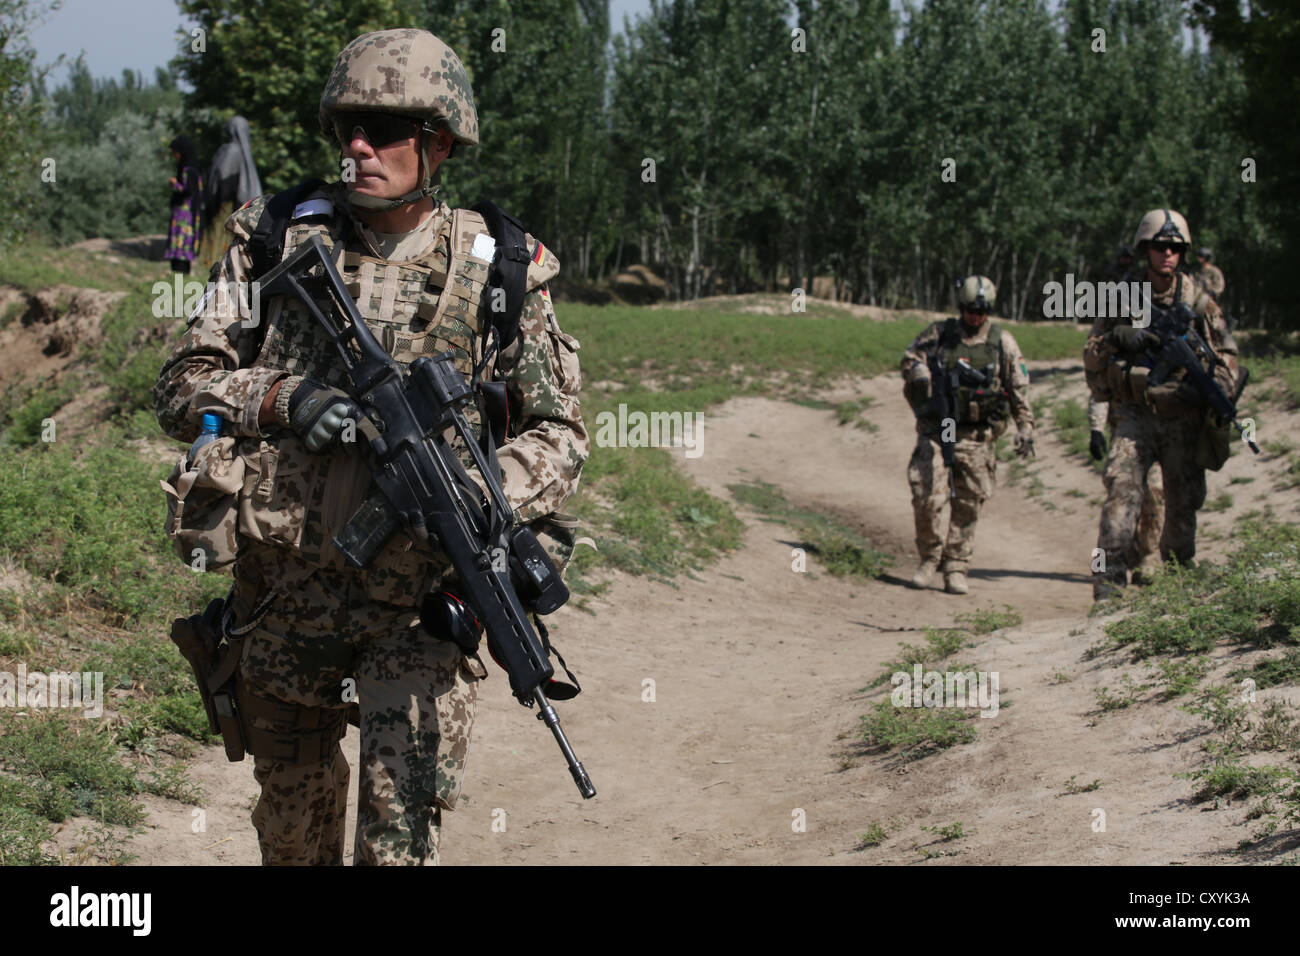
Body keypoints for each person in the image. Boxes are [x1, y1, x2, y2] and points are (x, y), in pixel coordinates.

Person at [154, 28, 588, 865]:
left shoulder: (500, 270)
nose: (358, 146)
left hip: (419, 611)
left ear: (442, 143)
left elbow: (560, 433)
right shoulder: (274, 236)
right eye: (346, 126)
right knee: (292, 836)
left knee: (397, 842)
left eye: (384, 131)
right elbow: (182, 384)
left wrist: (479, 490)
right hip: (282, 597)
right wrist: (282, 397)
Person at [1083, 209, 1238, 600]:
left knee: (1183, 508)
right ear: (1145, 250)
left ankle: (1179, 588)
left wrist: (1209, 390)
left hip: (1182, 418)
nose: (1166, 253)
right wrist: (1119, 337)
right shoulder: (1119, 295)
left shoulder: (1200, 302)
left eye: (1174, 247)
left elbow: (1229, 359)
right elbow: (1092, 354)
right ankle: (1107, 585)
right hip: (1134, 415)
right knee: (1120, 498)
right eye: (1159, 246)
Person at [901, 275, 1034, 595]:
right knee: (925, 495)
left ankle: (956, 566)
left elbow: (1018, 387)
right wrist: (919, 373)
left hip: (976, 436)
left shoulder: (1002, 342)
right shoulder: (939, 334)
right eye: (969, 309)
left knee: (968, 503)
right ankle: (930, 557)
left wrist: (1026, 426)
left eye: (981, 310)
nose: (975, 315)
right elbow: (909, 359)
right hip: (937, 430)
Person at [1087, 396, 1164, 583]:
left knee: (1155, 493)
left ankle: (1149, 556)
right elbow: (1099, 391)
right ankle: (1105, 573)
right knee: (1118, 505)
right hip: (1125, 430)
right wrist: (1096, 428)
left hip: (1163, 427)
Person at [197, 116, 262, 278]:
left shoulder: (231, 152)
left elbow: (221, 183)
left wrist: (211, 203)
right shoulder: (242, 152)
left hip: (226, 210)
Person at [165, 135, 202, 275]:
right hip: (191, 212)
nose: (174, 156)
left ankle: (180, 271)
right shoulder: (195, 169)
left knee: (181, 241)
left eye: (175, 152)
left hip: (184, 213)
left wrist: (175, 184)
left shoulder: (188, 170)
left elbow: (187, 190)